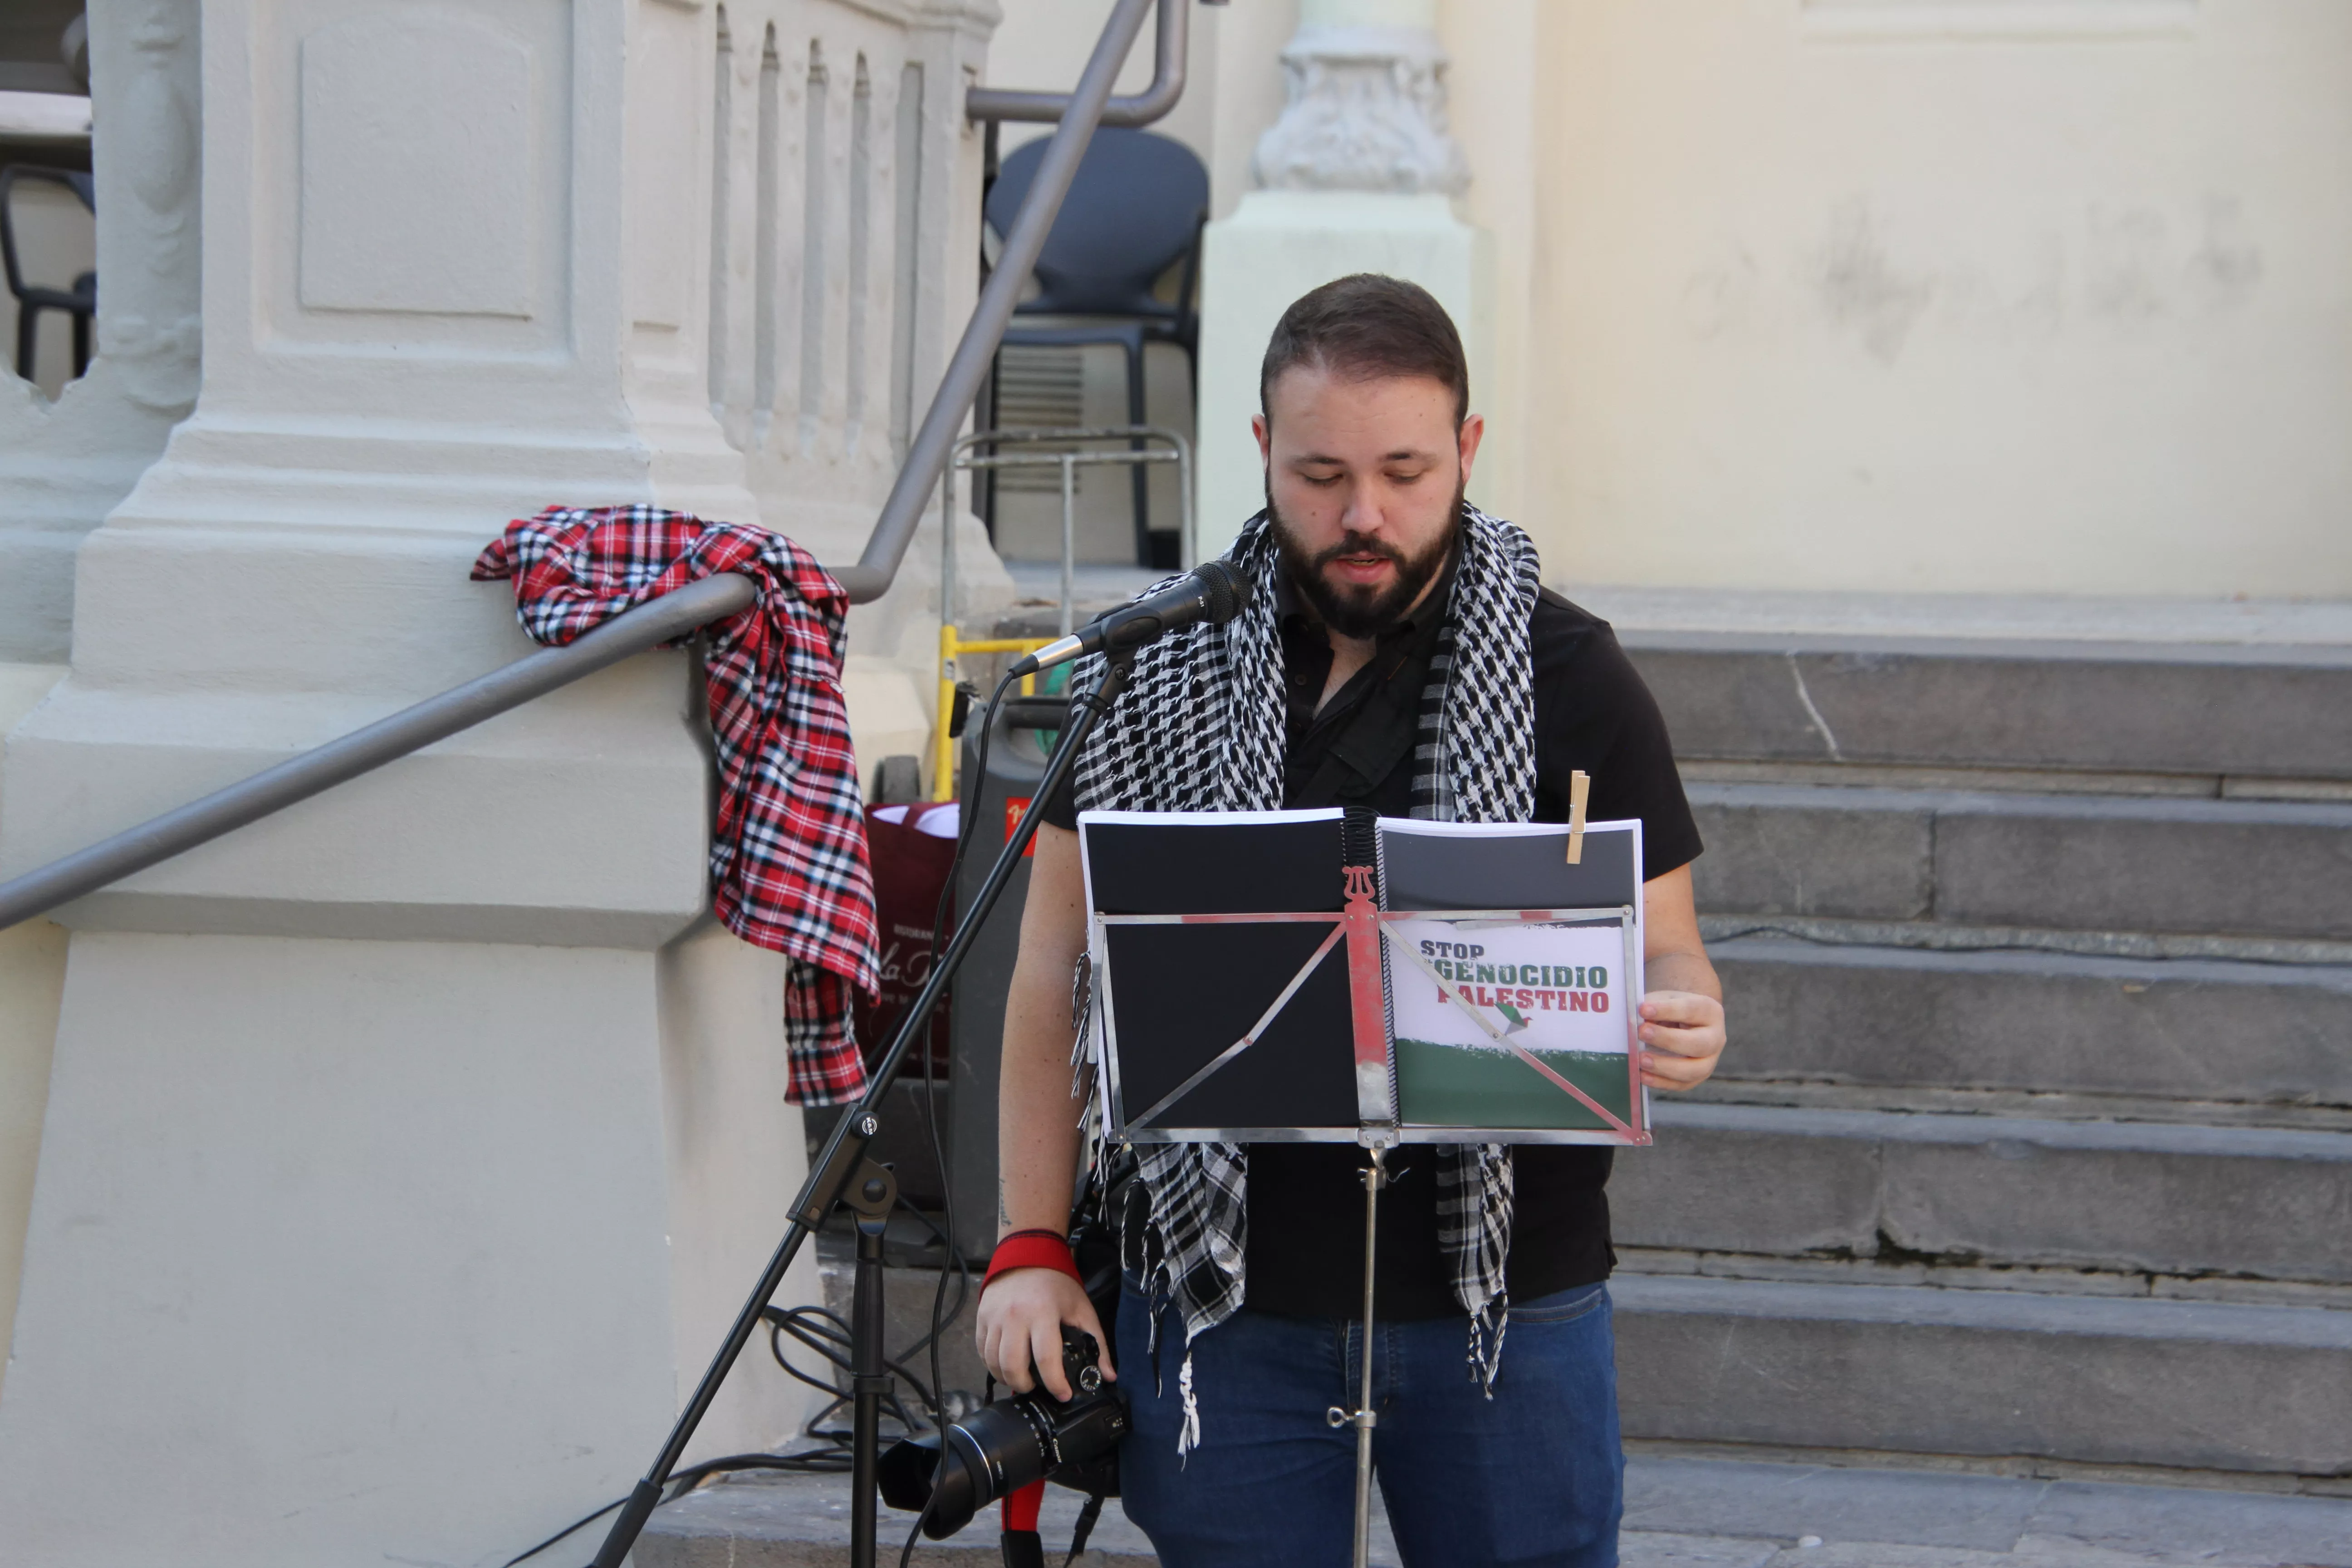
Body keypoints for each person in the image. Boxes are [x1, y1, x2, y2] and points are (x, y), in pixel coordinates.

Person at [974, 274, 1727, 1568]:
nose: (1363, 514)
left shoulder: (1576, 675)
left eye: (1404, 471)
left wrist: (1686, 1016)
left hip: (1506, 1304)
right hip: (1223, 1308)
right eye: (1320, 474)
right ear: (1260, 449)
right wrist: (1031, 1245)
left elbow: (1671, 945)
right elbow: (1053, 972)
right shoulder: (1150, 666)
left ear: (1469, 452)